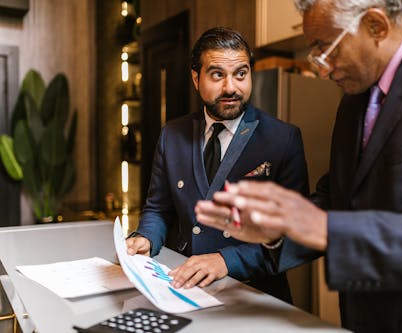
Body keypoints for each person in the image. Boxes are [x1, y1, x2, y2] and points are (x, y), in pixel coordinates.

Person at [195, 1, 402, 332]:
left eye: (325, 47)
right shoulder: (354, 100)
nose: (322, 69)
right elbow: (337, 199)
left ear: (375, 26)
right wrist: (276, 228)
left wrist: (326, 229)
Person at [126, 27, 309, 303]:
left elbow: (295, 236)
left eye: (241, 74)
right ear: (196, 78)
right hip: (183, 286)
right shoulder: (172, 135)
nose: (231, 88)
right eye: (217, 75)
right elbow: (158, 208)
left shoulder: (283, 139)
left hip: (255, 295)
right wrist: (147, 237)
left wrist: (227, 260)